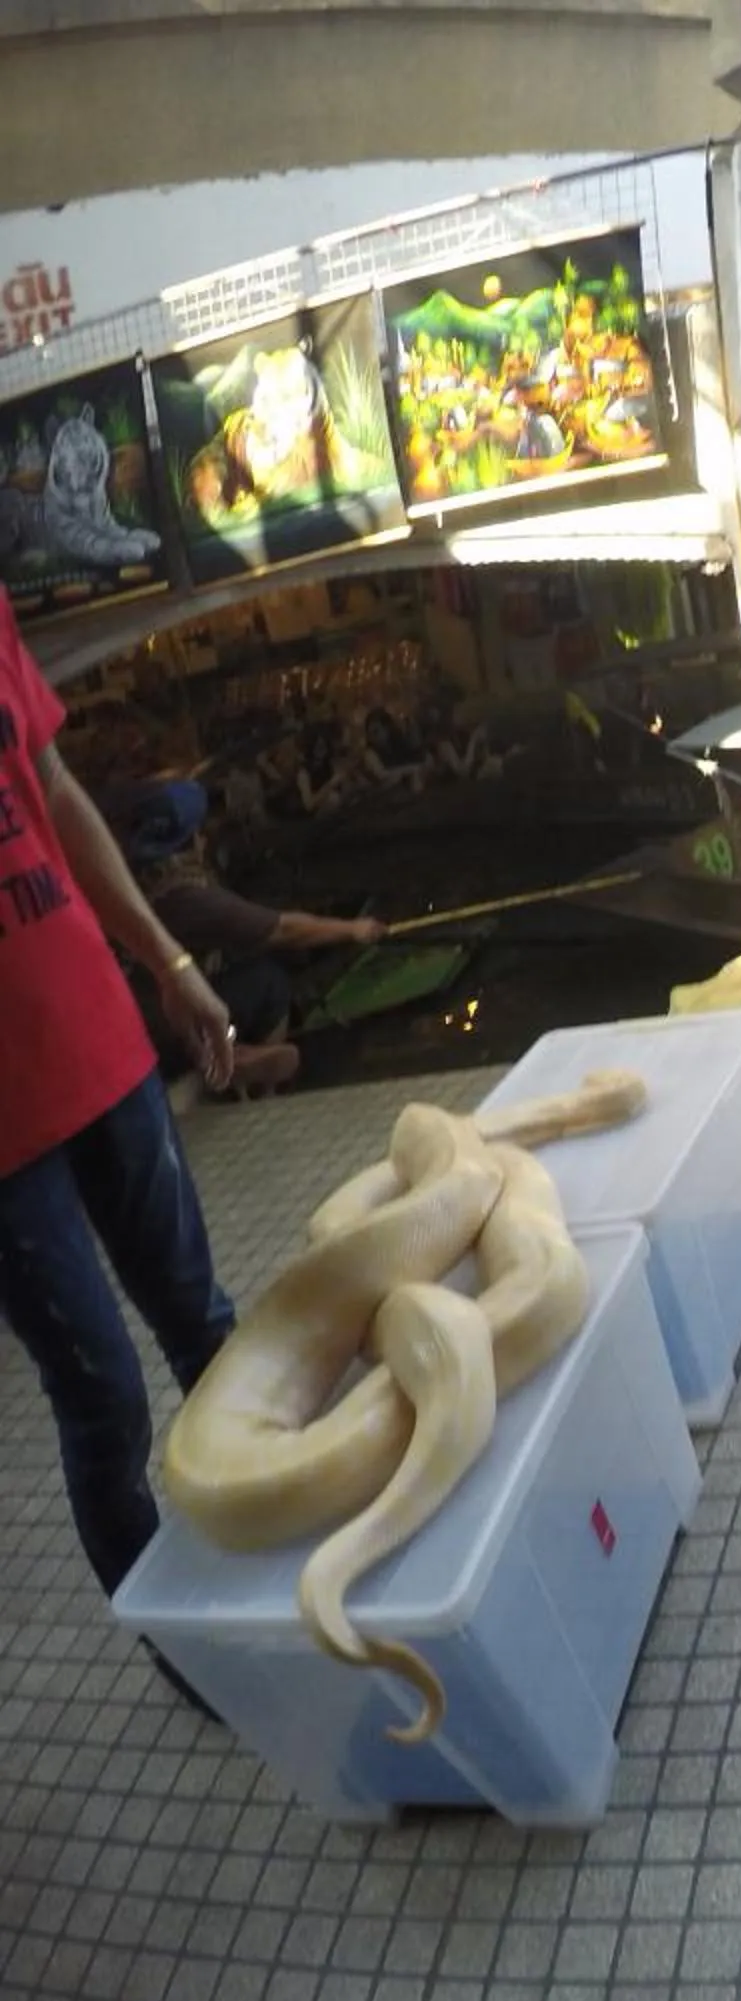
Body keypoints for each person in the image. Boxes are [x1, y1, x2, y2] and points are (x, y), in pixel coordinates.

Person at [0, 601, 244, 1618]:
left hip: (97, 1033)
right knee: (104, 1396)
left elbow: (53, 789)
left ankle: (279, 1549)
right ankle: (179, 1634)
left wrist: (168, 959)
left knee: (206, 1328)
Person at [122, 778, 384, 1093]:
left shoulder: (126, 878)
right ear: (189, 841)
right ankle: (245, 1073)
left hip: (138, 1010)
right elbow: (284, 930)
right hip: (158, 1027)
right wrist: (352, 929)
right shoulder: (184, 897)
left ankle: (229, 1048)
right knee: (268, 981)